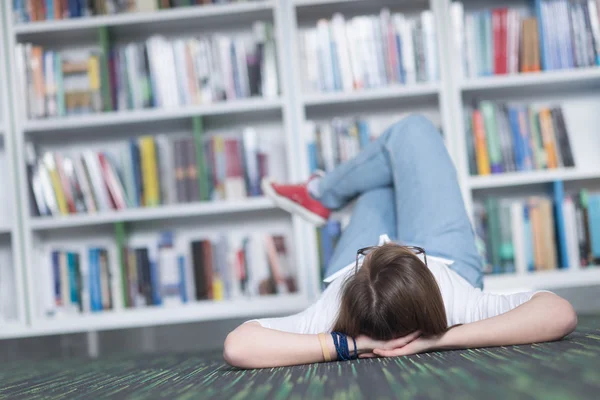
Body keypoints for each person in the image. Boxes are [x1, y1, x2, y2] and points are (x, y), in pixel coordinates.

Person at [223, 115, 577, 369]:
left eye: (369, 256)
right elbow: (558, 313)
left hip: (366, 293)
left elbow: (239, 345)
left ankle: (320, 193)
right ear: (420, 264)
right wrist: (443, 338)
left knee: (380, 184)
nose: (386, 243)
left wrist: (350, 345)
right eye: (410, 254)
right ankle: (319, 192)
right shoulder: (457, 302)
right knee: (412, 131)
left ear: (355, 279)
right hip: (446, 256)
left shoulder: (331, 313)